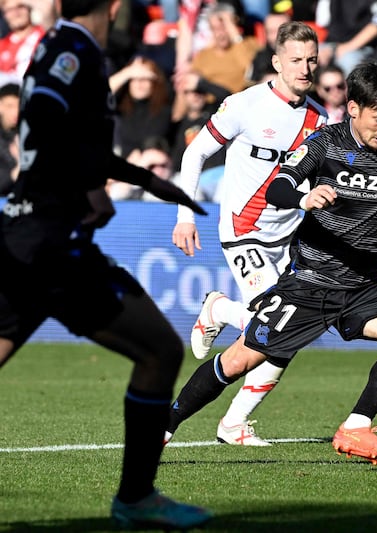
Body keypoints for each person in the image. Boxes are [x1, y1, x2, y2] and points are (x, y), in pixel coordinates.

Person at [165, 61, 377, 466]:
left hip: (363, 286)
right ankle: (163, 429)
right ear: (354, 108)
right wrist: (304, 198)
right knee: (238, 361)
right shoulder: (325, 143)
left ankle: (356, 426)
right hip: (309, 281)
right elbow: (279, 186)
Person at [0, 0, 212, 528]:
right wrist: (95, 185)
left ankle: (138, 498)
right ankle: (136, 498)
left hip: (30, 236)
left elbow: (61, 135)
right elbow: (49, 125)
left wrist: (142, 181)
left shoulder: (65, 46)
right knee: (161, 350)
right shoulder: (73, 49)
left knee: (157, 352)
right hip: (52, 244)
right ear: (114, 5)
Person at [169, 21, 327, 447]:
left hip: (289, 239)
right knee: (277, 326)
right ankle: (219, 310)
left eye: (312, 60)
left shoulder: (320, 118)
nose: (305, 68)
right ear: (276, 62)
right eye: (296, 60)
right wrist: (186, 215)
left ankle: (233, 423)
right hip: (244, 230)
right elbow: (195, 152)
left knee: (283, 340)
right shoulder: (245, 104)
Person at [0, 0, 46, 85]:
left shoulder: (46, 37)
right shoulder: (2, 46)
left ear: (29, 8)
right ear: (4, 15)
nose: (16, 13)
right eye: (10, 10)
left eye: (20, 7)